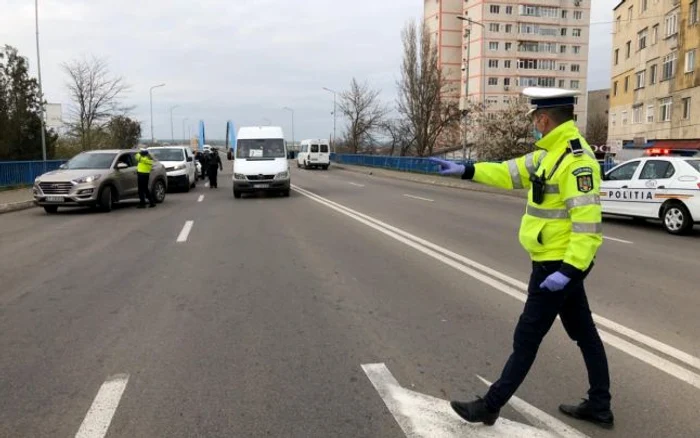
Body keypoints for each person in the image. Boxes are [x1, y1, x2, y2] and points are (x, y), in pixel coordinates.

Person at [430, 87, 613, 430]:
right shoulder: (550, 153)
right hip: (554, 263)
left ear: (544, 119)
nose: (533, 125)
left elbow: (587, 225)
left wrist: (569, 271)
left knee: (526, 339)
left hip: (556, 268)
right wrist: (467, 170)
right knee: (585, 334)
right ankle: (600, 406)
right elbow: (509, 172)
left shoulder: (576, 162)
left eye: (534, 120)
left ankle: (490, 405)